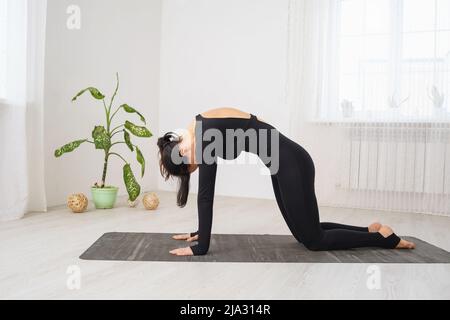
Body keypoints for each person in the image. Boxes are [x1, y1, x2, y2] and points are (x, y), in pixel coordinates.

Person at [157, 107, 415, 256]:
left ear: (183, 153)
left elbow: (205, 196)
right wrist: (201, 232)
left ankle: (387, 240)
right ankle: (370, 230)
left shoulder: (202, 136)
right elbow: (254, 122)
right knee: (304, 233)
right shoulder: (197, 125)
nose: (197, 167)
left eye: (191, 167)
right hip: (284, 164)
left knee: (314, 241)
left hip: (292, 163)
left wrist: (201, 247)